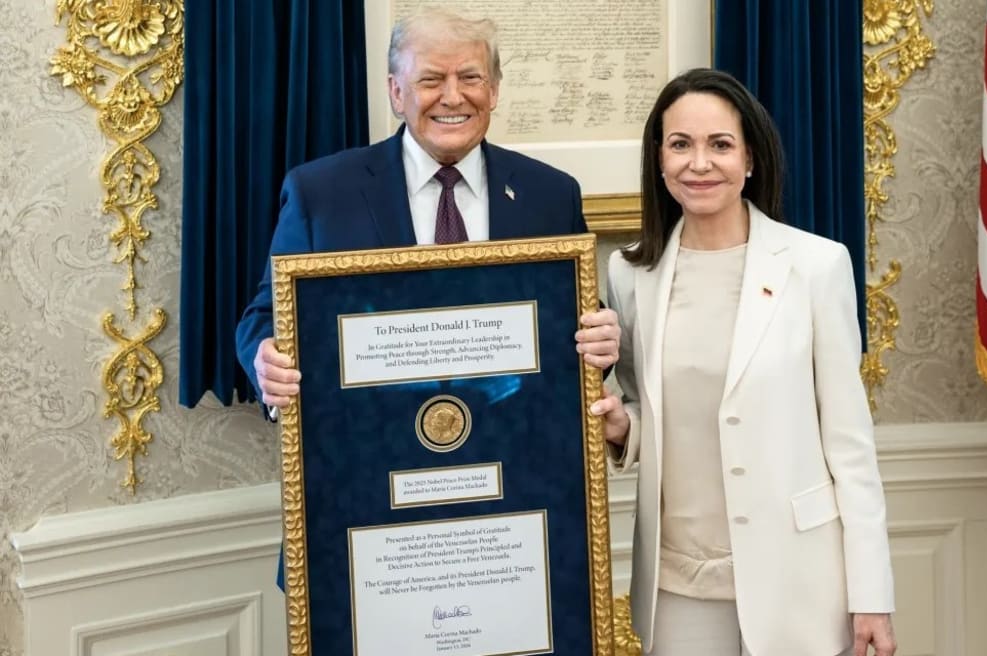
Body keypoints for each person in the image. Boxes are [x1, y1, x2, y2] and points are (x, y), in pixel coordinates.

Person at [590, 68, 896, 656]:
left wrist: (872, 594)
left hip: (799, 579)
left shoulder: (816, 266)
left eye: (719, 145)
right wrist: (621, 427)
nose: (698, 163)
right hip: (677, 583)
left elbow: (850, 446)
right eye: (680, 145)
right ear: (659, 160)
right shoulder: (629, 274)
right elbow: (642, 408)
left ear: (750, 159)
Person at [235, 8, 620, 408]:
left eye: (470, 77)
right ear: (397, 92)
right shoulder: (320, 195)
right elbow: (265, 317)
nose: (453, 97)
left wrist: (601, 339)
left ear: (494, 90)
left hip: (513, 443)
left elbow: (576, 322)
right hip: (370, 445)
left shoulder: (552, 195)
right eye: (431, 79)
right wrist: (266, 361)